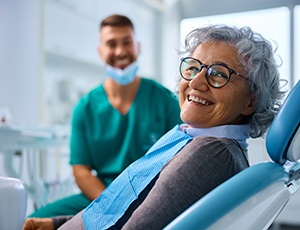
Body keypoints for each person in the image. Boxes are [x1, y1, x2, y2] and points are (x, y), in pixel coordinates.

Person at [23, 24, 286, 230]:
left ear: (251, 100)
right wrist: (58, 224)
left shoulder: (210, 153)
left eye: (219, 73)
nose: (195, 83)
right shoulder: (193, 139)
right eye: (193, 68)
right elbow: (126, 205)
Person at [27, 14, 182, 218]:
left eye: (127, 42)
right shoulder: (85, 108)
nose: (120, 51)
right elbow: (81, 170)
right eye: (111, 44)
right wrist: (111, 204)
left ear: (138, 47)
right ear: (101, 52)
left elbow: (181, 157)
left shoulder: (165, 100)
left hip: (152, 193)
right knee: (34, 221)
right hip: (102, 193)